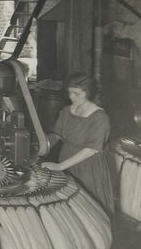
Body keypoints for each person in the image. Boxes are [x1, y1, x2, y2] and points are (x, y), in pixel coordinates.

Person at [42, 73, 115, 215]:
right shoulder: (66, 111)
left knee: (87, 211)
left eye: (76, 93)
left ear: (88, 93)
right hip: (66, 160)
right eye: (69, 92)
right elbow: (57, 135)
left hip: (88, 167)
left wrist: (60, 166)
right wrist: (43, 145)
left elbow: (91, 150)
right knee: (68, 209)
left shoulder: (100, 117)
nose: (71, 97)